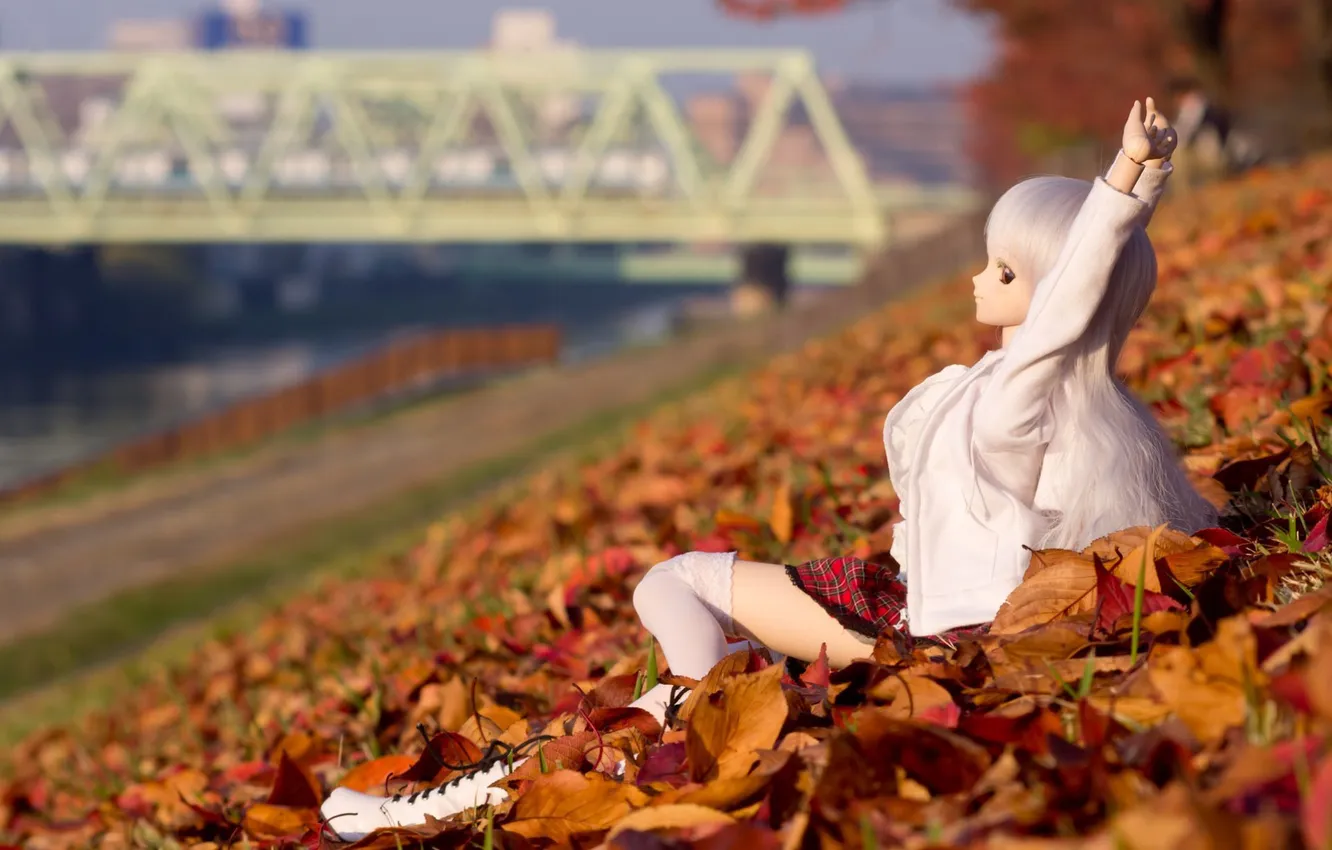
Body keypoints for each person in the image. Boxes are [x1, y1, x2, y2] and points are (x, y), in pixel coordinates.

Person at [320, 98, 1218, 841]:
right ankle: (695, 708)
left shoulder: (1023, 393)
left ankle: (671, 735)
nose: (978, 280)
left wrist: (1124, 186)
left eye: (1006, 270)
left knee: (673, 593)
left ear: (1054, 291)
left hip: (925, 629)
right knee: (678, 595)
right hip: (901, 601)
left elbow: (1068, 309)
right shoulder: (1022, 400)